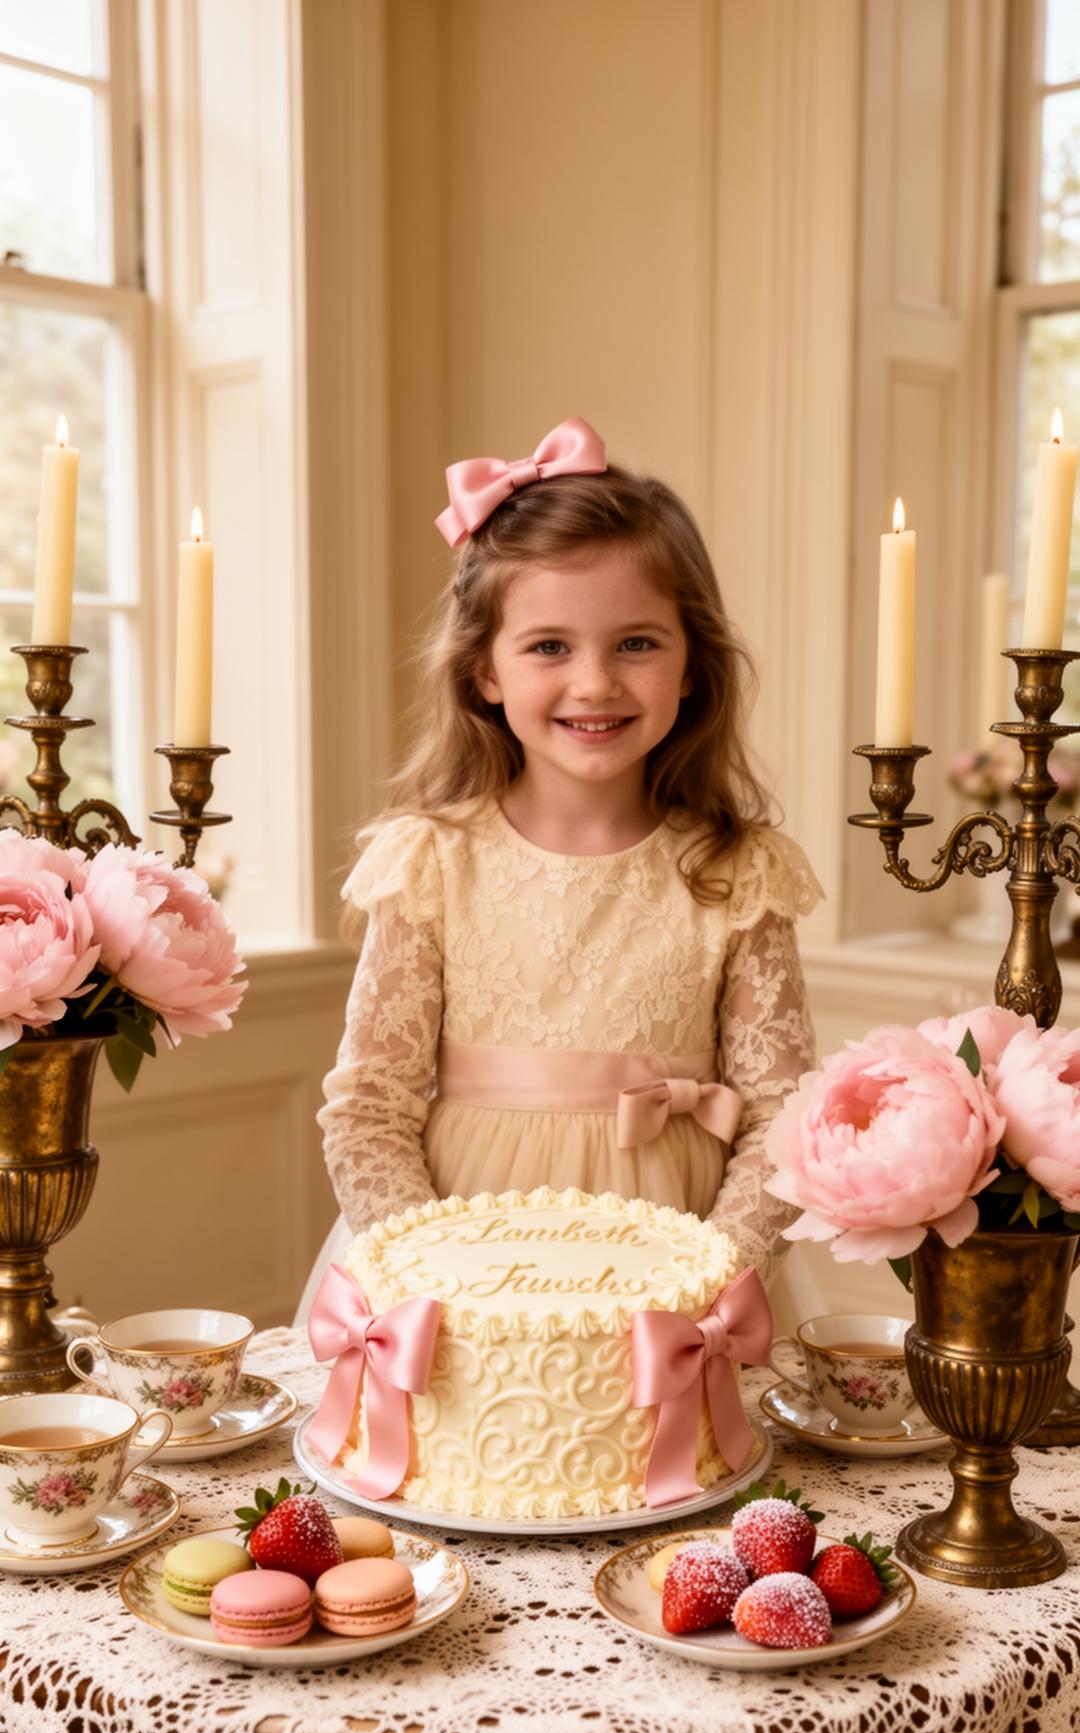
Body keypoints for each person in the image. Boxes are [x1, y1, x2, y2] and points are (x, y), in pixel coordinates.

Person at [297, 417, 820, 1324]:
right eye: (549, 646)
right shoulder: (431, 863)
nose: (595, 684)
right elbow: (369, 1109)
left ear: (693, 663)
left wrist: (705, 1275)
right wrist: (437, 1278)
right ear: (484, 673)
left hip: (676, 1258)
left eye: (637, 643)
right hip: (461, 1257)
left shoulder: (739, 871)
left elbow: (782, 1115)